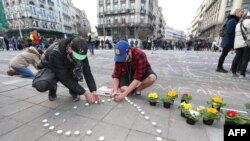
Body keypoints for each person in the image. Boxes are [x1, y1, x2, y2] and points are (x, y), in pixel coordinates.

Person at [33, 37, 100, 103]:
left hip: (67, 66)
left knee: (76, 69)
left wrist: (93, 90)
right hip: (50, 67)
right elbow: (65, 78)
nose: (79, 59)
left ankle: (73, 90)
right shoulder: (55, 53)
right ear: (69, 49)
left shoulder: (81, 51)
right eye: (77, 56)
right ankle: (52, 87)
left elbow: (87, 72)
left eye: (81, 57)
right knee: (41, 84)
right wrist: (85, 92)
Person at [216, 8, 244, 73]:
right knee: (224, 54)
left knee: (224, 54)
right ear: (237, 12)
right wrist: (235, 37)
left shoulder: (234, 20)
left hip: (228, 40)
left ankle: (220, 67)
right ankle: (219, 67)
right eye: (241, 12)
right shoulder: (232, 20)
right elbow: (229, 31)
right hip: (228, 40)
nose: (242, 13)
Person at [231, 9, 249, 77]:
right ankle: (242, 74)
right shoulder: (249, 22)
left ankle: (233, 72)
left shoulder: (238, 23)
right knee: (245, 58)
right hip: (246, 43)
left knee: (237, 57)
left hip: (238, 43)